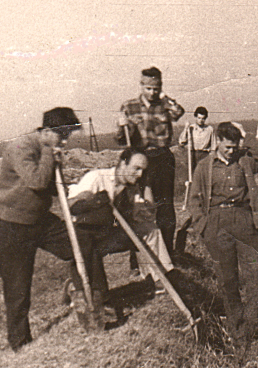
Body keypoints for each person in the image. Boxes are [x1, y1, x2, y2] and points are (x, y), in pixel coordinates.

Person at [0, 107, 100, 351]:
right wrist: (51, 153)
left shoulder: (49, 147)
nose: (65, 141)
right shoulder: (21, 147)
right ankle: (20, 343)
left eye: (67, 136)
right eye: (62, 135)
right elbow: (37, 182)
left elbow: (51, 186)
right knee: (17, 286)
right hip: (11, 224)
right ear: (47, 131)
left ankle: (88, 300)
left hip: (39, 220)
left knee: (82, 243)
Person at [188, 122, 258, 345]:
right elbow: (194, 200)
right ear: (217, 142)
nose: (231, 151)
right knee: (228, 279)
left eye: (235, 147)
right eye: (227, 147)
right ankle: (238, 332)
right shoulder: (204, 166)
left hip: (244, 220)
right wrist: (203, 228)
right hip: (216, 223)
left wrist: (246, 137)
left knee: (257, 272)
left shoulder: (244, 160)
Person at [67, 147, 175, 300]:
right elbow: (71, 206)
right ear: (123, 164)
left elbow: (143, 218)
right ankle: (74, 288)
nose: (140, 175)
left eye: (143, 171)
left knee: (148, 229)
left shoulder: (132, 187)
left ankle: (161, 278)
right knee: (100, 298)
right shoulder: (97, 178)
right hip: (84, 239)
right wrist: (95, 201)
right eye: (136, 169)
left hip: (106, 235)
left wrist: (147, 192)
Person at [116, 66, 185, 260]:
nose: (152, 92)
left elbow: (179, 112)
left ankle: (167, 256)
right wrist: (123, 127)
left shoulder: (164, 104)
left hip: (163, 158)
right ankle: (137, 259)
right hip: (141, 160)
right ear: (141, 86)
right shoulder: (129, 107)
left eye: (156, 88)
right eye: (148, 88)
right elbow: (121, 139)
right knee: (140, 207)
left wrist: (165, 97)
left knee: (165, 208)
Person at [178, 106, 215, 172]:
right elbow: (181, 142)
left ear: (205, 118)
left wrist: (211, 157)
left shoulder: (210, 129)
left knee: (203, 174)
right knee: (192, 173)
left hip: (204, 155)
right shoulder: (190, 128)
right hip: (192, 155)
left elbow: (213, 146)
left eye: (203, 118)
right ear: (195, 117)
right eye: (199, 118)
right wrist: (186, 128)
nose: (201, 120)